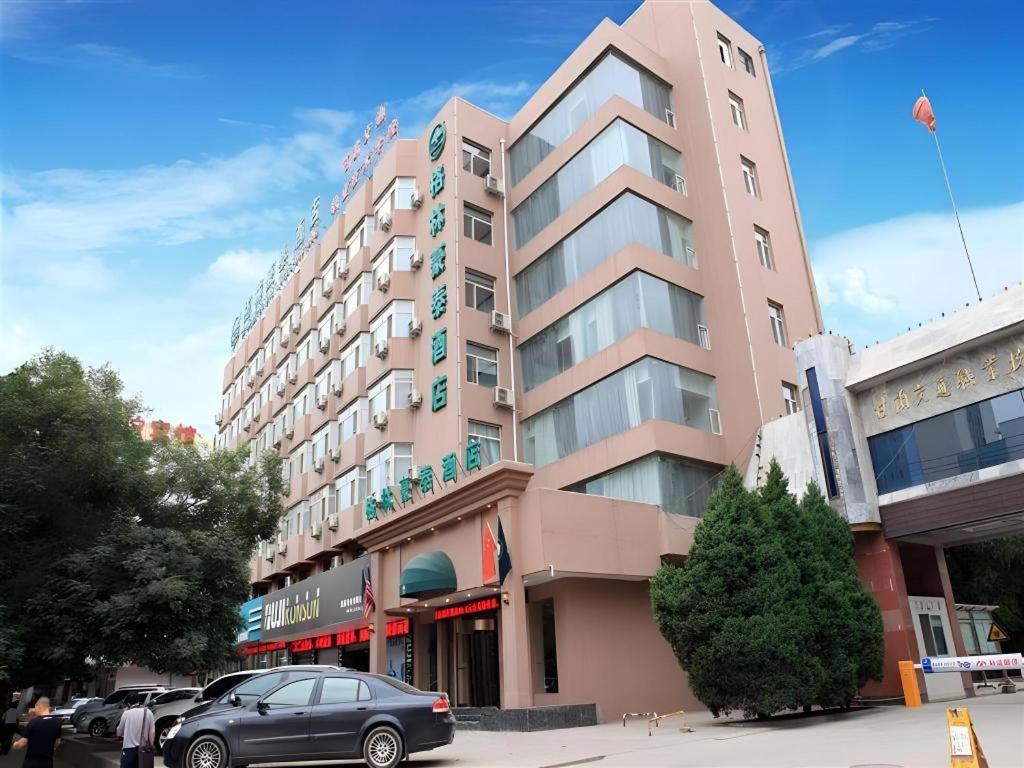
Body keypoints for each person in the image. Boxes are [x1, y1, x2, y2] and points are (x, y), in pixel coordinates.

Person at [11, 698, 62, 768]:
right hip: (47, 762)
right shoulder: (58, 722)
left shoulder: (33, 722)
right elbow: (57, 742)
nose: (35, 710)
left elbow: (21, 744)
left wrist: (14, 744)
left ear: (39, 706)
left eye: (35, 707)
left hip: (31, 762)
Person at [115, 696, 154, 768]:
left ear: (129, 704)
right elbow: (152, 732)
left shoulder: (126, 713)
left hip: (128, 751)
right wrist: (151, 746)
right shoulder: (148, 712)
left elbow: (118, 733)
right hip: (144, 750)